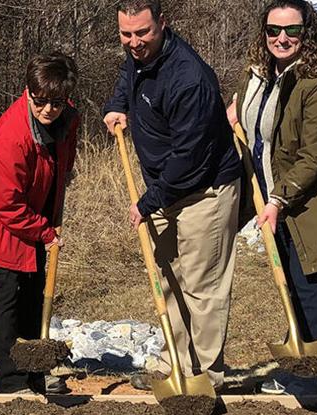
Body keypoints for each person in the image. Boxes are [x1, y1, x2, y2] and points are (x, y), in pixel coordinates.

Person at [103, 0, 242, 390]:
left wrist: (148, 201)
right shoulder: (139, 57)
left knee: (203, 286)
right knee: (171, 278)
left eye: (143, 32)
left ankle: (206, 377)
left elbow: (191, 159)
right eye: (126, 34)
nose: (134, 42)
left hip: (205, 190)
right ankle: (174, 364)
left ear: (163, 23)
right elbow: (128, 77)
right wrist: (117, 106)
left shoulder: (189, 78)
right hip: (167, 186)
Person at [230, 0, 317, 395]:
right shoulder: (260, 75)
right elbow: (250, 120)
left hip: (309, 203)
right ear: (264, 32)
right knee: (289, 283)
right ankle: (297, 370)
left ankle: (314, 379)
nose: (282, 38)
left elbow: (316, 154)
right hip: (274, 196)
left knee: (309, 286)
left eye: (292, 31)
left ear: (309, 33)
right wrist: (235, 114)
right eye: (273, 30)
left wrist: (277, 200)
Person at [0, 53, 81, 395]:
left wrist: (59, 192)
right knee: (9, 295)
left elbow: (65, 154)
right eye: (40, 101)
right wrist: (45, 232)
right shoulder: (12, 139)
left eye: (56, 103)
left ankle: (34, 371)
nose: (48, 110)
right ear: (28, 92)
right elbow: (7, 205)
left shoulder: (66, 117)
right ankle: (11, 381)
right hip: (1, 223)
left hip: (35, 211)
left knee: (34, 290)